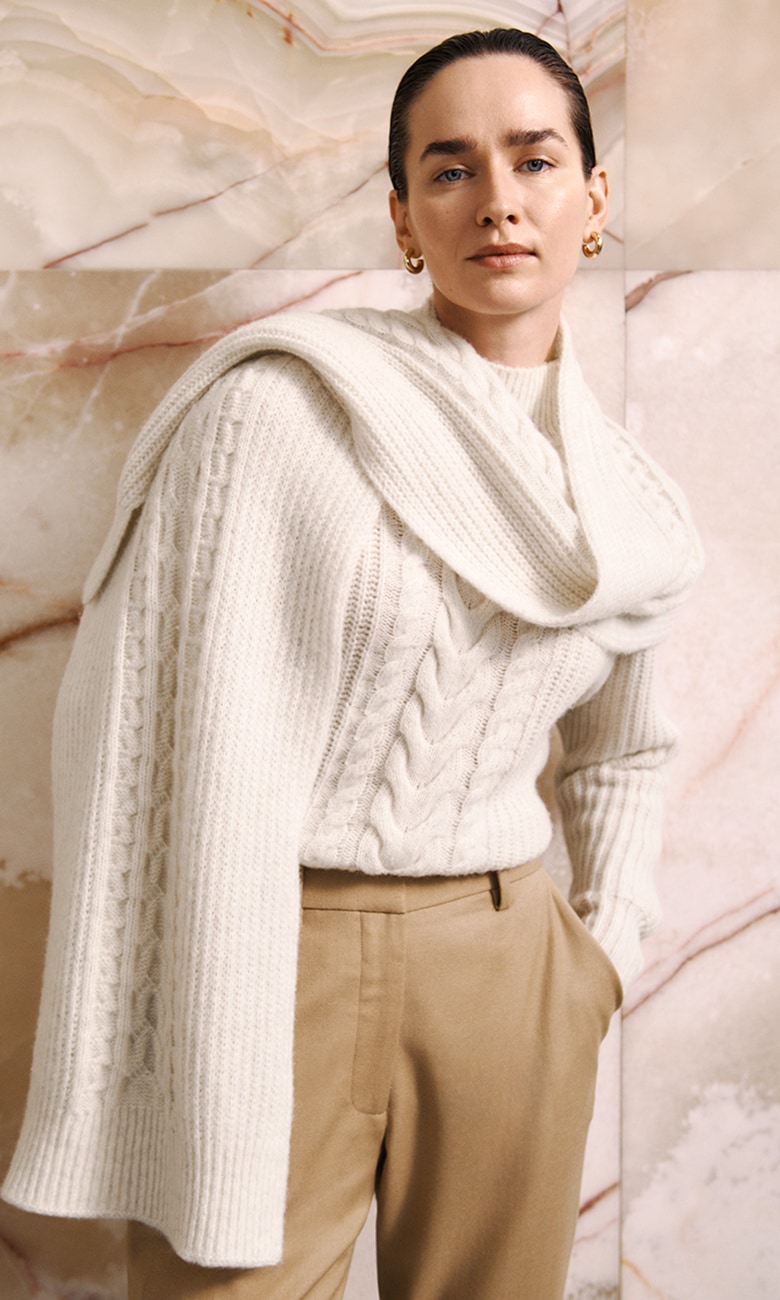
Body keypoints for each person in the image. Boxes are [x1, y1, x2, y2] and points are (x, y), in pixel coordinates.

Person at [2, 27, 702, 1300]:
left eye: (535, 159)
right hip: (270, 952)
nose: (498, 200)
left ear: (594, 201)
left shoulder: (620, 497)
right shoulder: (276, 412)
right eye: (451, 168)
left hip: (510, 965)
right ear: (402, 215)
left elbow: (626, 744)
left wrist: (601, 952)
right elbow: (157, 743)